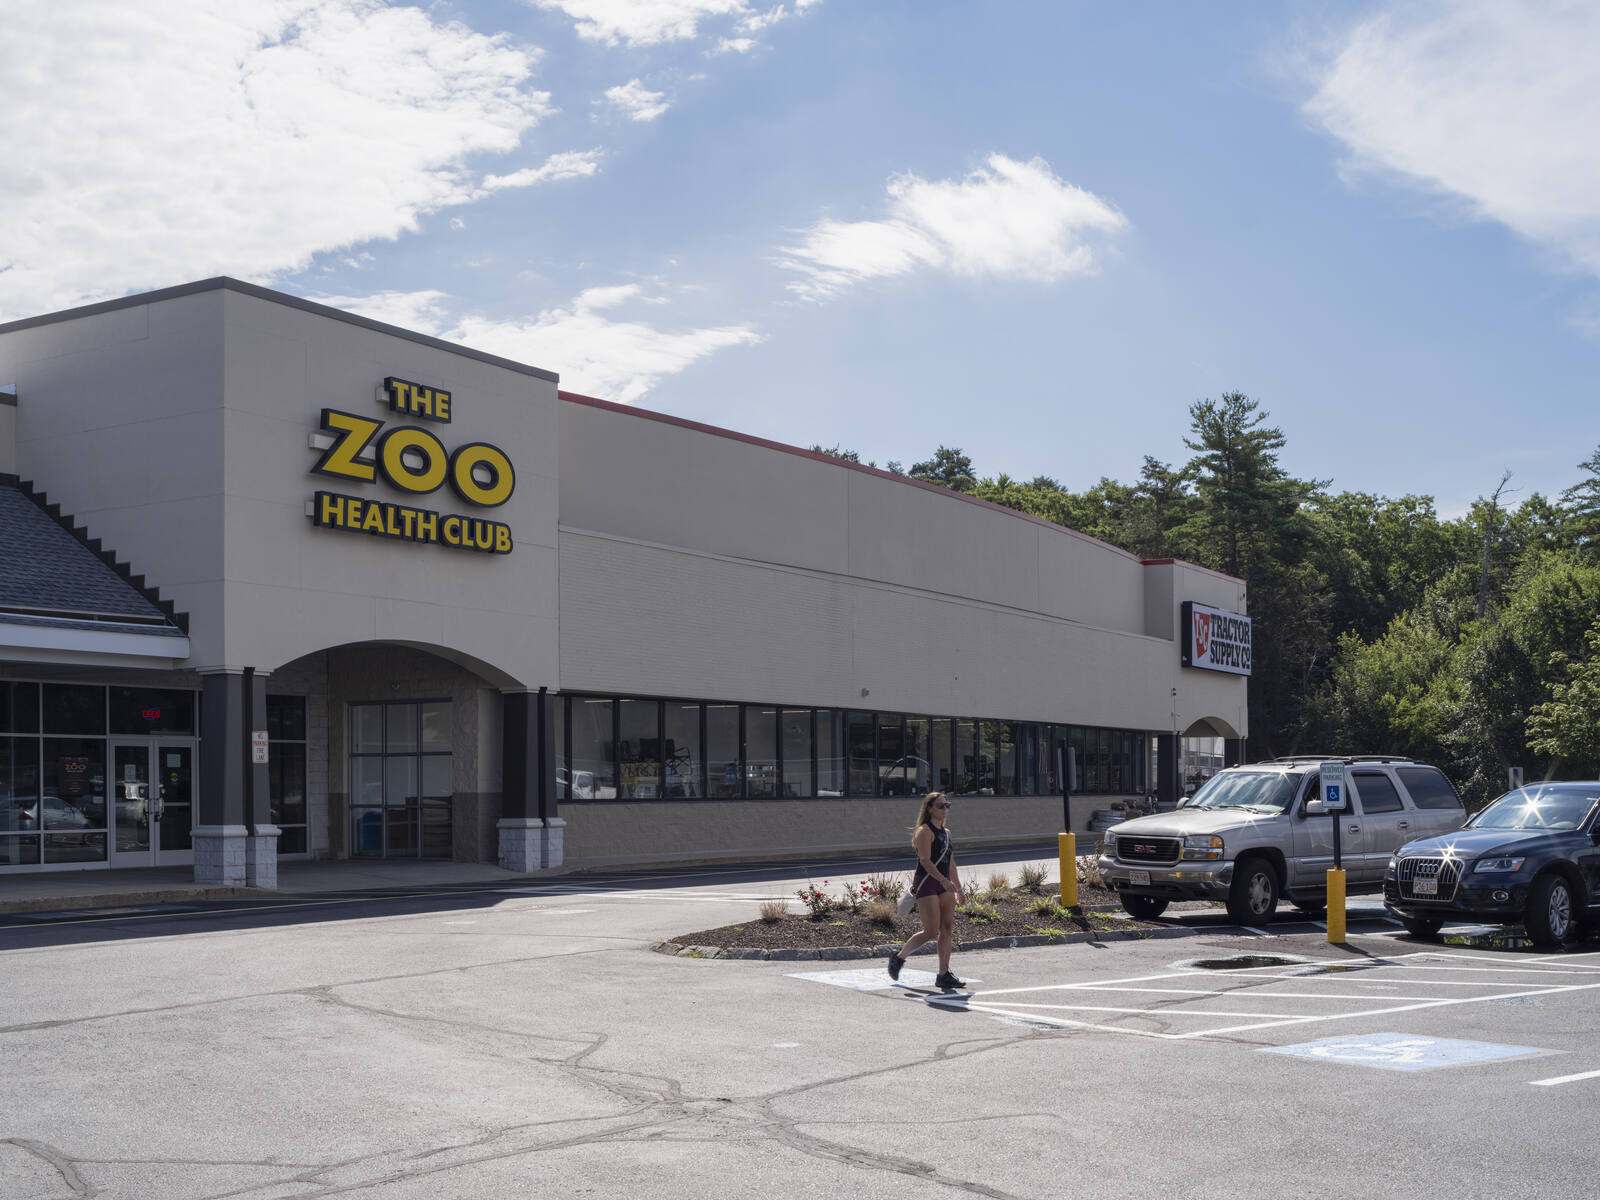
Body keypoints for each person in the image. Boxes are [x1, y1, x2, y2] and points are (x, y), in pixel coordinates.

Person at [887, 791, 966, 990]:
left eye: (947, 805)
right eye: (941, 806)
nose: (945, 809)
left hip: (945, 884)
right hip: (928, 883)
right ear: (930, 808)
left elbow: (951, 863)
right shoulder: (924, 831)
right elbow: (925, 861)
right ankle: (898, 958)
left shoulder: (946, 833)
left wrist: (958, 888)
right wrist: (942, 880)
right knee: (932, 931)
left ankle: (943, 974)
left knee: (946, 929)